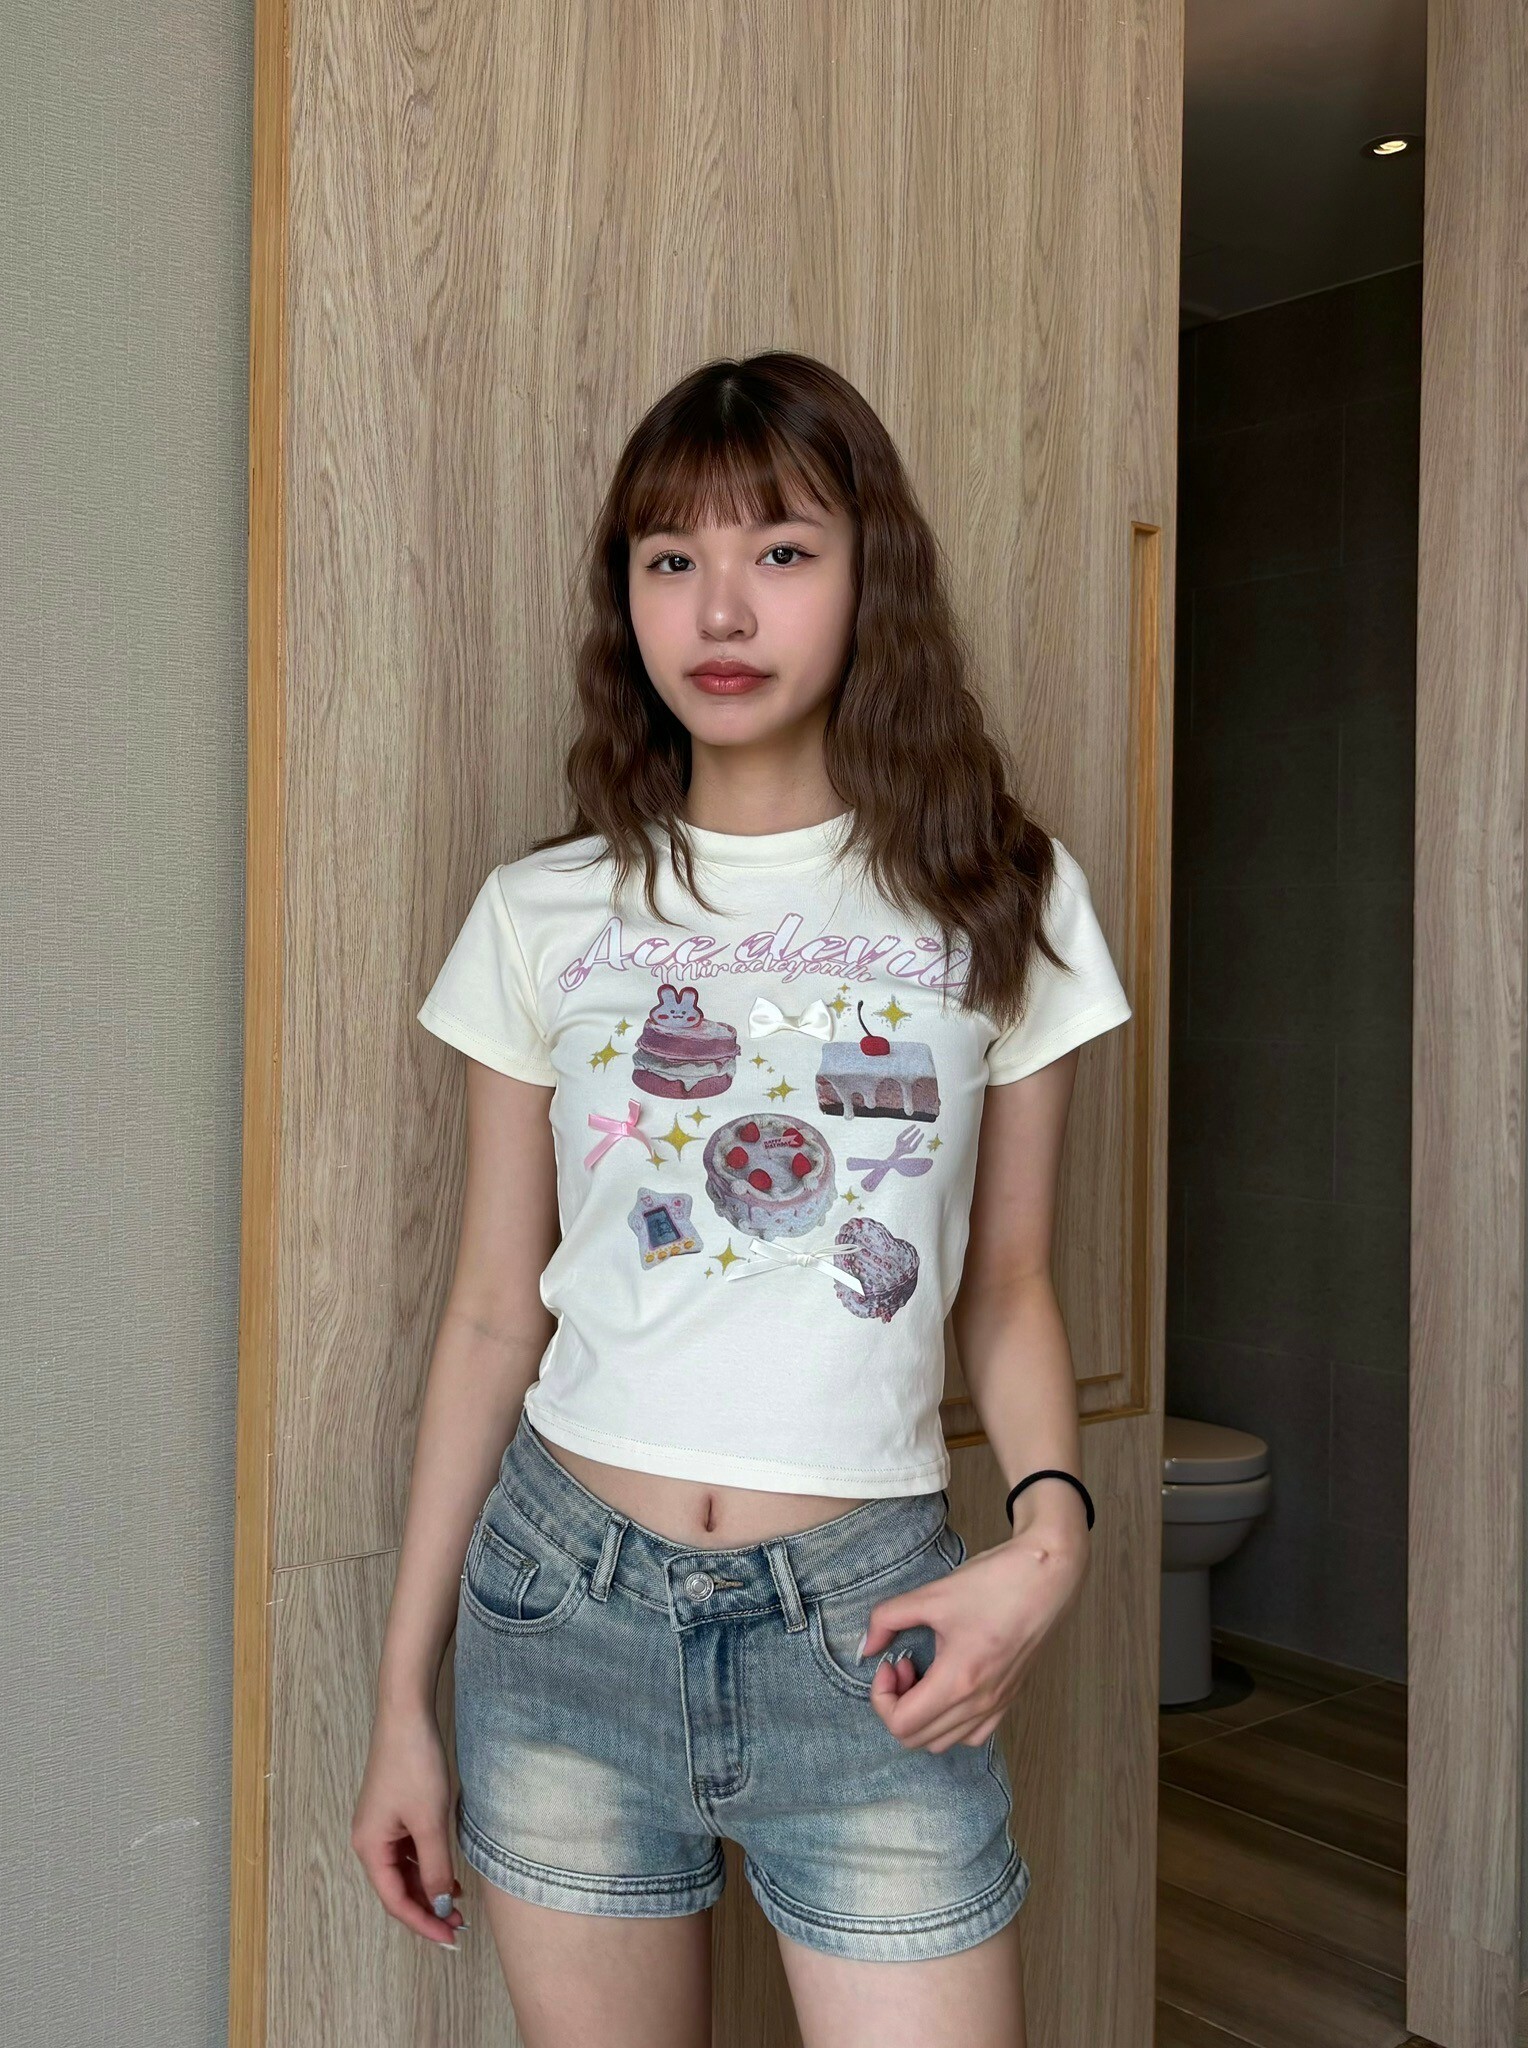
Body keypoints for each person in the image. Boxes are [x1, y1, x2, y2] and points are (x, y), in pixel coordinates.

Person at [350, 350, 1133, 2048]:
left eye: (781, 550)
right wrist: (404, 1699)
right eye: (670, 557)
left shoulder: (1004, 896)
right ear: (625, 595)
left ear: (869, 577)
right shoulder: (543, 915)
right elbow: (489, 1312)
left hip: (870, 1631)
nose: (720, 608)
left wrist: (1051, 1538)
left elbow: (1007, 1286)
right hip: (559, 1615)